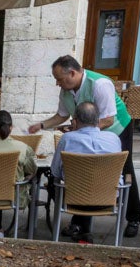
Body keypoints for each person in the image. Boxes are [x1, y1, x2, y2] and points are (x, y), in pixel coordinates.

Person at [28, 55, 140, 238]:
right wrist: (41, 125)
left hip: (117, 128)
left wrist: (79, 129)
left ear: (72, 73)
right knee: (83, 170)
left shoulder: (100, 84)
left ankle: (134, 216)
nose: (57, 84)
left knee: (122, 168)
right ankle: (80, 221)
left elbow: (108, 119)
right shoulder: (66, 90)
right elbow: (61, 115)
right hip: (87, 127)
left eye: (59, 79)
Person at [49, 101, 124, 242]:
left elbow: (55, 171)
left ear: (75, 121)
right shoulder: (114, 139)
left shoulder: (67, 139)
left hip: (74, 199)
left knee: (54, 183)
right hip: (107, 198)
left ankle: (80, 226)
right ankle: (83, 229)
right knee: (92, 183)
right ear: (98, 120)